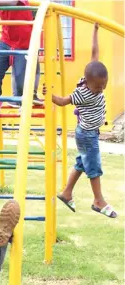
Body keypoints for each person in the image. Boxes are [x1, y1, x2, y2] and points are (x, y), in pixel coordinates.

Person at [45, 23, 117, 218]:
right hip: (86, 135)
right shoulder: (82, 93)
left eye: (104, 85)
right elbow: (61, 101)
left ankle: (67, 193)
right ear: (87, 82)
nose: (102, 89)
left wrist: (95, 31)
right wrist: (49, 95)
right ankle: (98, 200)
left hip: (89, 132)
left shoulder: (92, 74)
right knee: (94, 166)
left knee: (82, 163)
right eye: (99, 87)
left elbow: (95, 53)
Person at [0, 0, 42, 117]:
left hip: (23, 45)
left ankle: (24, 102)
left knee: (21, 78)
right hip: (5, 41)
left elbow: (13, 2)